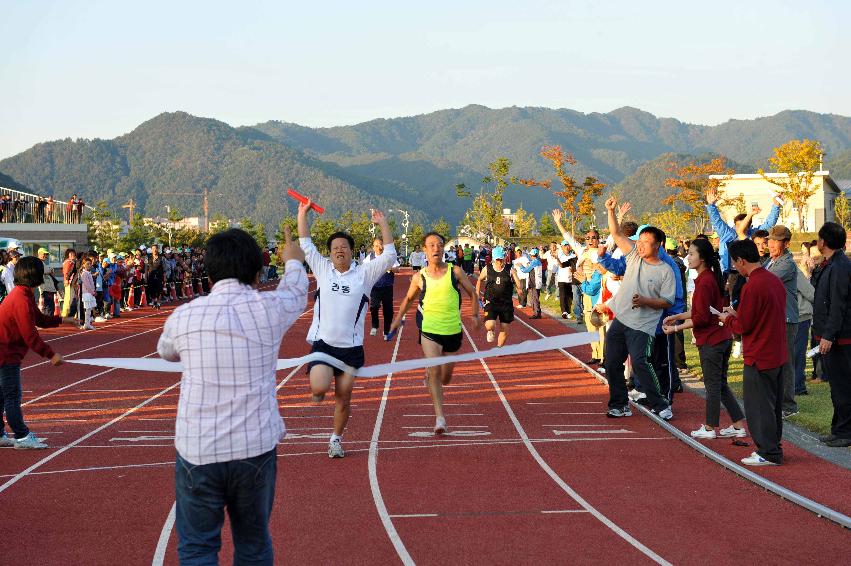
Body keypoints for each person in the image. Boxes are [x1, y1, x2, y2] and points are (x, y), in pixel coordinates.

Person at [157, 227, 307, 564]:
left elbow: (165, 351)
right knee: (253, 544)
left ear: (209, 273)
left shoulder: (185, 316)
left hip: (199, 449)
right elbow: (297, 292)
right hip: (254, 447)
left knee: (197, 547)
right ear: (257, 272)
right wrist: (293, 260)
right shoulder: (269, 309)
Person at [298, 199, 396, 458]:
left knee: (343, 399)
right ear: (329, 253)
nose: (339, 250)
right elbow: (306, 245)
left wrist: (382, 222)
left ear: (352, 251)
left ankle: (335, 439)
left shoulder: (364, 274)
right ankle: (320, 387)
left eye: (343, 246)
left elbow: (390, 256)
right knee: (319, 388)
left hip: (351, 348)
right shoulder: (322, 270)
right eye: (334, 248)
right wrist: (302, 214)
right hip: (323, 344)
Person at [390, 232, 480, 434]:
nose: (436, 248)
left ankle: (432, 375)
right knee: (434, 370)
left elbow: (472, 293)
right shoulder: (419, 277)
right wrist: (397, 320)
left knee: (446, 377)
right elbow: (409, 299)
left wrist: (474, 314)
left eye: (439, 245)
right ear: (425, 250)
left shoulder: (454, 271)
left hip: (452, 330)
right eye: (431, 245)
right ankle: (440, 418)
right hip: (429, 329)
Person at [663, 238, 746, 439]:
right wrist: (677, 316)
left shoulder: (705, 281)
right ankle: (737, 425)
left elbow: (700, 318)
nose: (688, 257)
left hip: (712, 340)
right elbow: (702, 311)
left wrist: (676, 328)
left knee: (712, 385)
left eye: (691, 254)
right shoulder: (709, 278)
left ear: (702, 258)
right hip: (721, 338)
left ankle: (710, 427)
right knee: (720, 383)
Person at [601, 196, 675, 420]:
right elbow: (616, 234)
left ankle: (661, 404)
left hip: (643, 325)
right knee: (612, 362)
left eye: (645, 241)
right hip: (621, 320)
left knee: (641, 363)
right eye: (639, 241)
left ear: (658, 245)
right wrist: (611, 211)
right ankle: (619, 404)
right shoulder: (633, 256)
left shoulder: (666, 271)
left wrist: (645, 301)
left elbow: (667, 301)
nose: (640, 245)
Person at [718, 239, 788, 466]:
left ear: (741, 261)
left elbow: (743, 326)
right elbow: (759, 317)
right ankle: (772, 446)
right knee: (773, 406)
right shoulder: (774, 281)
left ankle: (768, 452)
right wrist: (736, 315)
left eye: (735, 262)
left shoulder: (752, 286)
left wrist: (727, 319)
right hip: (776, 351)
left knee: (759, 407)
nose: (734, 267)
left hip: (759, 353)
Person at [0, 256, 77, 449]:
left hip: (5, 352)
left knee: (2, 396)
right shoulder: (21, 299)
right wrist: (51, 355)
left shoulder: (23, 294)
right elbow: (30, 335)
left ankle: (1, 434)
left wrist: (62, 320)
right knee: (12, 396)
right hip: (5, 354)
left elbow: (39, 320)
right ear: (34, 275)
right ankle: (22, 436)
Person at [810, 222, 851, 448]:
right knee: (836, 386)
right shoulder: (831, 264)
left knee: (843, 386)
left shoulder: (840, 266)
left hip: (840, 337)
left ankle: (845, 431)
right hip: (831, 334)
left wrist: (829, 335)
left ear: (823, 242)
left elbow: (838, 304)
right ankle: (839, 428)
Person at [764, 225, 799, 419]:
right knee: (775, 359)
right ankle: (778, 400)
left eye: (775, 240)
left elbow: (763, 281)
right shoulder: (770, 261)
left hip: (786, 318)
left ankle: (789, 405)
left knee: (786, 362)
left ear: (785, 243)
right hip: (775, 318)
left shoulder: (787, 264)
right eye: (770, 240)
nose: (770, 244)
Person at [476, 246, 522, 347]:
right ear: (494, 259)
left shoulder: (510, 269)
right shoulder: (487, 269)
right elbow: (479, 279)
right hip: (491, 302)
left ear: (504, 258)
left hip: (506, 304)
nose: (499, 262)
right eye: (497, 260)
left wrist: (519, 288)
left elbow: (518, 282)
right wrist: (477, 293)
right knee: (490, 325)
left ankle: (499, 347)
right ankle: (491, 331)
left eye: (501, 259)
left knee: (505, 328)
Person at [364, 237, 400, 339]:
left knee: (388, 311)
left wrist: (390, 268)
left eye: (381, 245)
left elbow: (397, 269)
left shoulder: (389, 257)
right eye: (376, 245)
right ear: (373, 247)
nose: (379, 247)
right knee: (374, 307)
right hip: (375, 287)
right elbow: (364, 269)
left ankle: (386, 331)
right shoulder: (369, 257)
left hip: (387, 287)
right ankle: (375, 325)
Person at [520, 248, 543, 318]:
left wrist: (520, 266)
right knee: (534, 298)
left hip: (534, 283)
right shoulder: (537, 261)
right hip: (535, 282)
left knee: (534, 298)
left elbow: (525, 270)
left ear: (532, 255)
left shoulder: (534, 262)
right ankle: (536, 312)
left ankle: (537, 313)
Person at [556, 240, 576, 319]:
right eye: (565, 246)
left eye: (568, 245)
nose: (567, 247)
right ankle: (564, 311)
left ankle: (568, 311)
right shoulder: (560, 255)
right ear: (562, 247)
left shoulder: (573, 256)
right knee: (563, 295)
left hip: (570, 279)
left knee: (569, 297)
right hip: (561, 279)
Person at [37, 248, 58, 316]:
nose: (45, 256)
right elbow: (45, 270)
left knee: (49, 306)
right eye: (44, 254)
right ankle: (47, 323)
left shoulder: (42, 263)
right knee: (48, 306)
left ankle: (47, 322)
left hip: (47, 288)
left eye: (46, 254)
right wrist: (51, 269)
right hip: (45, 288)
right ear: (39, 254)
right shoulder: (39, 262)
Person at [146, 245, 165, 309]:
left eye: (156, 248)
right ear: (151, 250)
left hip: (159, 276)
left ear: (158, 249)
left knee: (159, 290)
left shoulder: (161, 257)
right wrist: (146, 277)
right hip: (151, 276)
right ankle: (154, 301)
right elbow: (146, 268)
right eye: (153, 248)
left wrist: (164, 277)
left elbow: (164, 268)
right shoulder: (147, 257)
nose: (154, 250)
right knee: (151, 291)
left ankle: (158, 303)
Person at [61, 248, 77, 316]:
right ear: (67, 255)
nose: (72, 255)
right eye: (70, 254)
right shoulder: (68, 262)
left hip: (72, 282)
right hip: (69, 282)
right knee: (68, 299)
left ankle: (69, 313)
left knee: (71, 298)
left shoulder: (72, 262)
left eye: (73, 253)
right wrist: (66, 280)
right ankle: (65, 314)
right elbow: (66, 272)